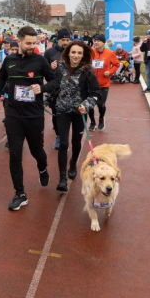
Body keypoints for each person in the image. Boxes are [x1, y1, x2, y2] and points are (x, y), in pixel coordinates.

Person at [0, 26, 58, 211]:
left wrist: (43, 88)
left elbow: (55, 81)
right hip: (13, 115)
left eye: (35, 43)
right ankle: (20, 193)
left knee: (37, 150)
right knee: (15, 154)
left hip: (34, 115)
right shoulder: (9, 60)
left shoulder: (40, 60)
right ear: (19, 42)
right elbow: (1, 78)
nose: (32, 46)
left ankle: (43, 167)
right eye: (28, 43)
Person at [53, 41, 100, 190]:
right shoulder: (60, 69)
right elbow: (54, 87)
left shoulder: (88, 72)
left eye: (79, 53)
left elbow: (95, 94)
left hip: (79, 113)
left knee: (76, 142)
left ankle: (73, 164)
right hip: (62, 111)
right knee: (63, 143)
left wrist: (85, 106)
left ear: (83, 55)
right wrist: (45, 100)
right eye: (73, 52)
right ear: (68, 53)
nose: (76, 56)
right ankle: (62, 178)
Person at [44, 28, 71, 149]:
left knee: (68, 115)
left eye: (67, 39)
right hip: (54, 90)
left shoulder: (73, 52)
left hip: (70, 90)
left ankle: (66, 137)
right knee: (56, 115)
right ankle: (59, 136)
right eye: (63, 40)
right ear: (58, 39)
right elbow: (43, 71)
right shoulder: (49, 52)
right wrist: (50, 68)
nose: (65, 42)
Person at [89, 35, 120, 131]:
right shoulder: (90, 52)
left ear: (103, 42)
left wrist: (110, 72)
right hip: (91, 84)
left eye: (98, 41)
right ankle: (93, 122)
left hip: (103, 84)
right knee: (90, 105)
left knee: (101, 104)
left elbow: (116, 64)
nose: (96, 42)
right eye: (95, 41)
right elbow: (85, 62)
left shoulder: (110, 53)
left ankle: (101, 118)